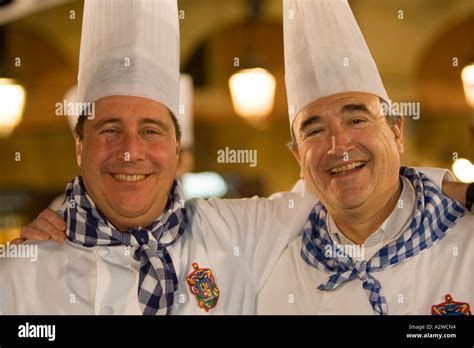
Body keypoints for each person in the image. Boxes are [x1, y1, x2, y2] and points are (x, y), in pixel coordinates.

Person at [4, 0, 471, 316]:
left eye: (151, 130)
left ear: (177, 149)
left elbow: (356, 188)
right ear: (80, 147)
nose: (132, 151)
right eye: (110, 131)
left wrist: (459, 188)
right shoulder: (20, 274)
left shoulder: (240, 231)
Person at [256, 0, 473, 315]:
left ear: (396, 132)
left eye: (356, 120)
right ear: (298, 159)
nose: (338, 145)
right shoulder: (278, 272)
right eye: (314, 131)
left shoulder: (465, 242)